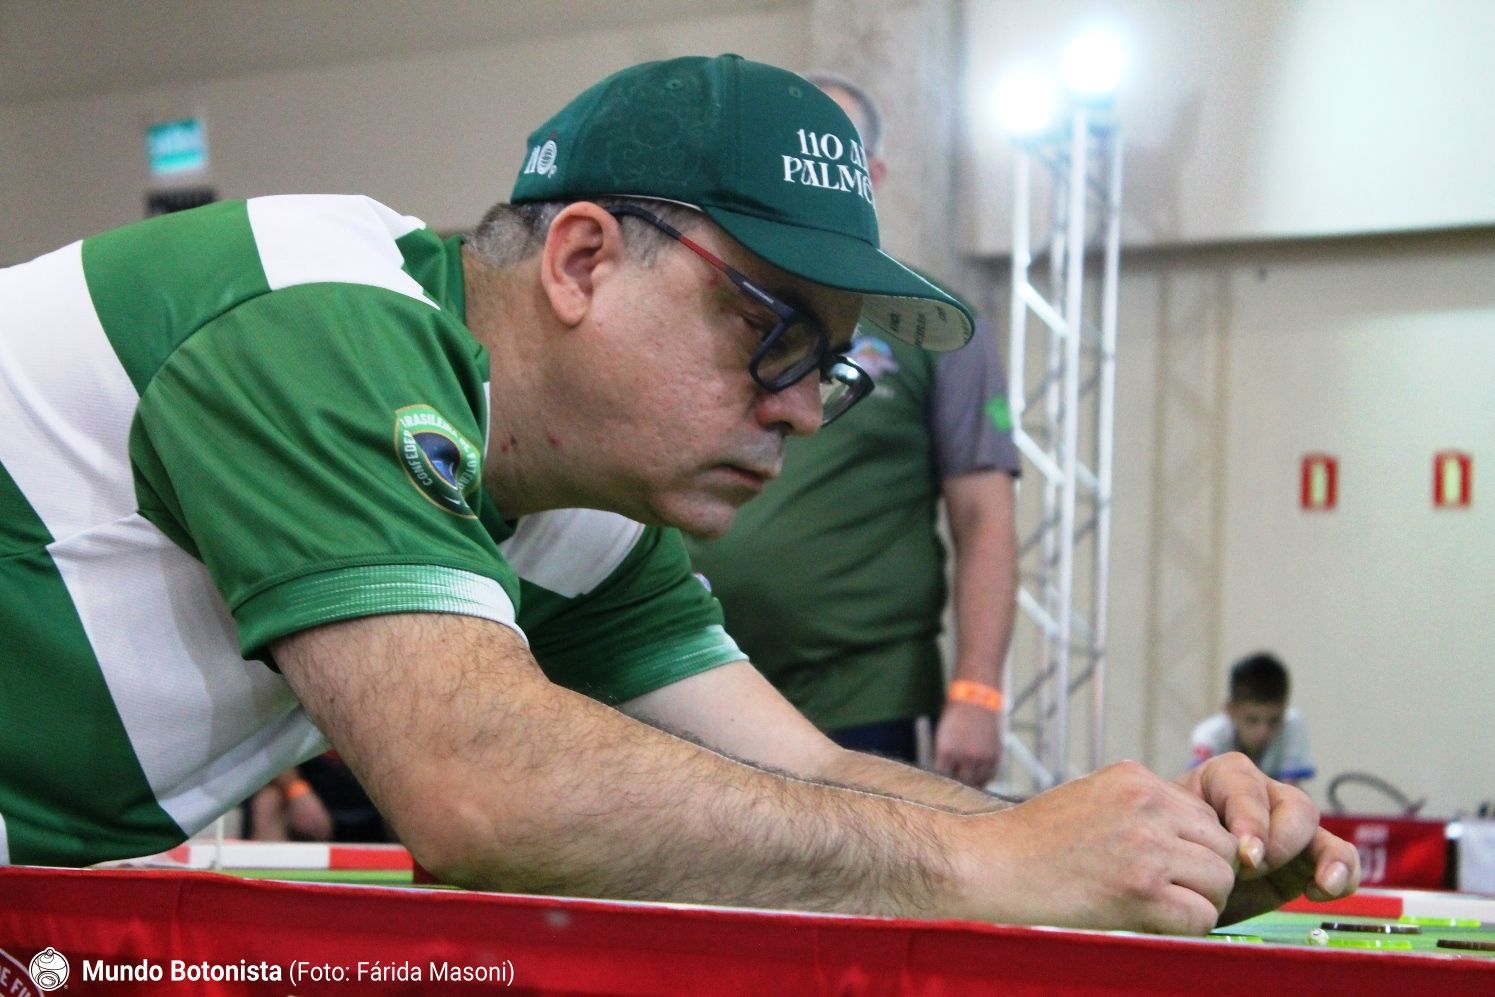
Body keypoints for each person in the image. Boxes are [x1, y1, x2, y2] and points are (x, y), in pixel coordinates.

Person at [0, 54, 1356, 934]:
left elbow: (809, 775)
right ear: (581, 260)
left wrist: (1139, 860)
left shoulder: (580, 511)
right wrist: (988, 868)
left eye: (832, 365)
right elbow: (478, 793)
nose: (804, 408)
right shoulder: (314, 318)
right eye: (773, 330)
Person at [686, 71, 1018, 788]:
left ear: (873, 174)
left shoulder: (936, 325)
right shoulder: (704, 296)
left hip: (862, 693)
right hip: (690, 674)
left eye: (831, 150)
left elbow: (984, 517)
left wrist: (978, 691)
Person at [1192, 653, 1316, 786]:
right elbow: (1200, 788)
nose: (1263, 731)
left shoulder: (1292, 724)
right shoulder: (1208, 736)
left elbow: (1290, 789)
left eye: (1274, 720)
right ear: (1230, 710)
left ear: (1284, 710)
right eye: (1252, 720)